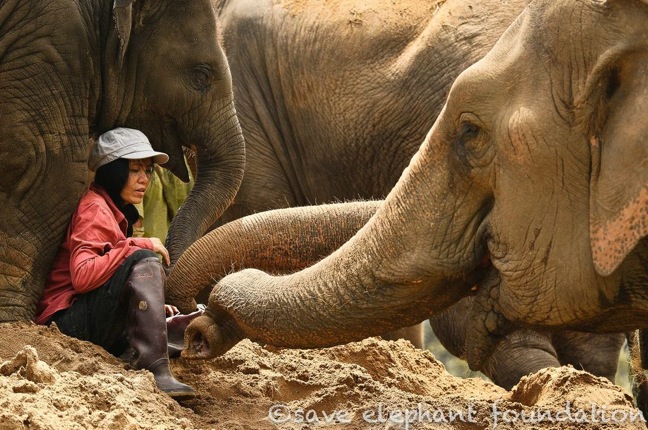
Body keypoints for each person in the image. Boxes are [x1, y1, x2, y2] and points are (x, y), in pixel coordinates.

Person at [34, 127, 196, 400]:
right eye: (134, 170)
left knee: (184, 322)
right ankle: (157, 371)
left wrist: (150, 303)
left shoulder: (114, 209)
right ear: (112, 172)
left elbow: (112, 272)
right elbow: (83, 276)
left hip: (88, 318)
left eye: (147, 171)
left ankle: (140, 348)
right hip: (66, 322)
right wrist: (138, 245)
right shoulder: (94, 207)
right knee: (144, 258)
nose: (144, 179)